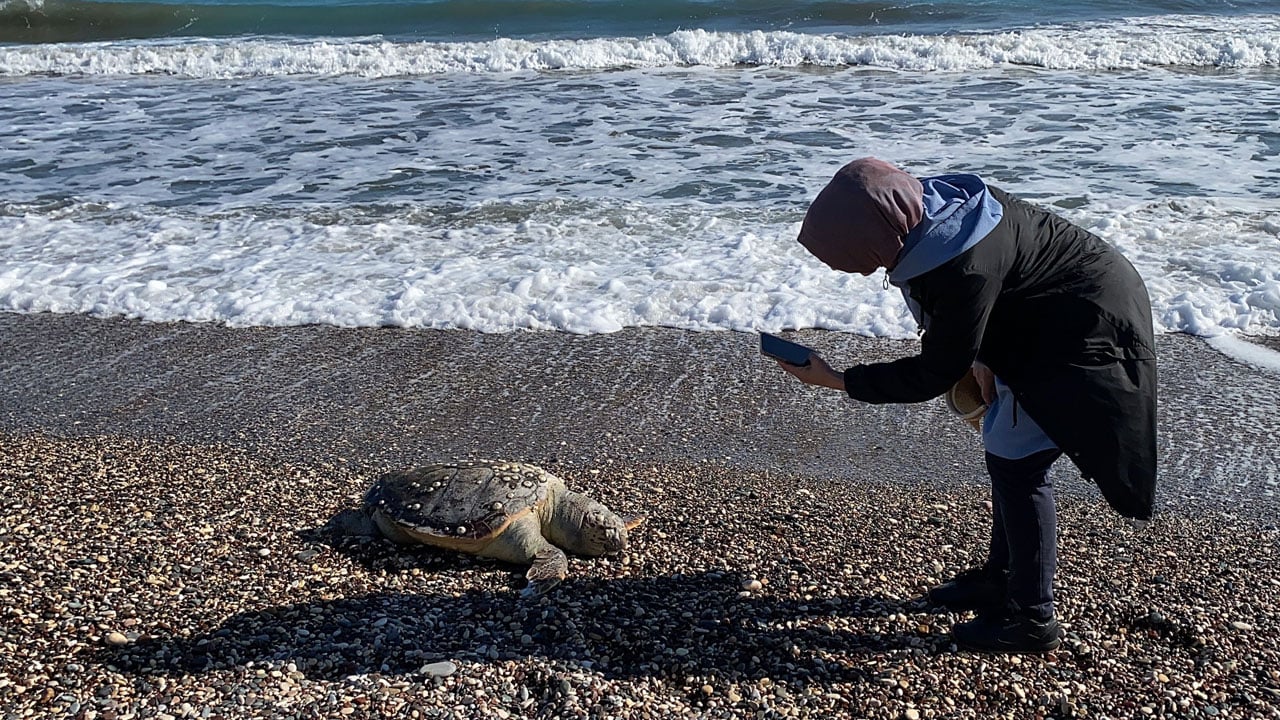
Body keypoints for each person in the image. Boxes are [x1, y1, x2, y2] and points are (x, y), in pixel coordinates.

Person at [777, 157, 1157, 653]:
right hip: (1050, 311)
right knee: (1005, 450)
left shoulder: (961, 264)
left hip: (1085, 335)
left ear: (880, 237)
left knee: (1019, 465)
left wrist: (839, 380)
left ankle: (1032, 618)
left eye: (850, 254)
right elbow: (1002, 288)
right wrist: (983, 351)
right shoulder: (936, 211)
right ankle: (1001, 578)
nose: (846, 266)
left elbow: (934, 370)